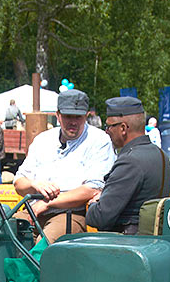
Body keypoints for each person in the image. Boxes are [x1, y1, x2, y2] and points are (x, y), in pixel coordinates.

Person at [13, 88, 116, 243]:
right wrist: (35, 185)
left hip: (70, 213)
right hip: (33, 211)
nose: (73, 122)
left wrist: (47, 204)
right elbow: (19, 183)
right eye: (68, 116)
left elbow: (92, 189)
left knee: (44, 245)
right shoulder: (43, 140)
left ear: (86, 116)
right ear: (58, 116)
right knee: (0, 235)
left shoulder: (99, 141)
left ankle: (31, 266)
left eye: (78, 117)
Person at [86, 96, 170, 233]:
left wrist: (93, 204)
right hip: (151, 241)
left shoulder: (129, 162)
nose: (107, 131)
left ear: (123, 128)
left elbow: (99, 217)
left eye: (109, 126)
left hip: (125, 243)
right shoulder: (161, 155)